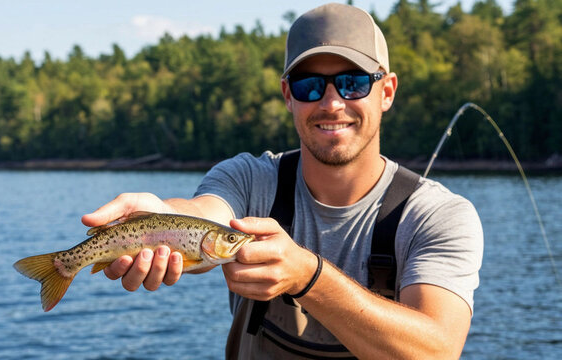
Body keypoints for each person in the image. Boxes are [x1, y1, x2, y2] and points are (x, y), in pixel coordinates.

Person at [81, 3, 483, 359]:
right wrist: (162, 218)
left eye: (353, 82)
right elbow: (203, 213)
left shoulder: (438, 216)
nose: (331, 103)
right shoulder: (248, 179)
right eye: (310, 85)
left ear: (387, 91)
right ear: (288, 95)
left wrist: (308, 277)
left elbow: (437, 350)